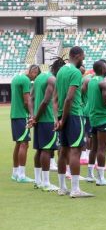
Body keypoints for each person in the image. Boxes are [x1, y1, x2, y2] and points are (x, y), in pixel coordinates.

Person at [55, 46, 94, 198]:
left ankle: (62, 187)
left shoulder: (61, 71)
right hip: (74, 116)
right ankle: (75, 189)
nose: (83, 60)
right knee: (75, 151)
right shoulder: (75, 72)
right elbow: (69, 98)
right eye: (82, 57)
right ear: (76, 56)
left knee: (63, 151)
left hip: (61, 116)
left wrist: (57, 120)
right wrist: (64, 120)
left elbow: (55, 99)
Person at [29, 58, 65, 191]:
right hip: (47, 119)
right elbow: (45, 101)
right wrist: (36, 118)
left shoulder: (39, 78)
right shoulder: (52, 80)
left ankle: (38, 181)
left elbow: (31, 99)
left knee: (39, 150)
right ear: (59, 70)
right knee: (46, 150)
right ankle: (45, 182)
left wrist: (32, 116)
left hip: (39, 119)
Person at [87, 60, 106, 186]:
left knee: (94, 148)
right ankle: (101, 178)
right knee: (102, 148)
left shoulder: (91, 80)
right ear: (102, 69)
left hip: (93, 117)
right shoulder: (103, 83)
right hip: (103, 118)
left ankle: (90, 175)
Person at [10, 64, 40, 183]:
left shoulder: (16, 78)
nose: (35, 78)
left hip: (15, 115)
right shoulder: (25, 80)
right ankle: (21, 175)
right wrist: (33, 116)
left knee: (18, 143)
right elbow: (27, 100)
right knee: (24, 144)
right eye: (36, 74)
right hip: (21, 116)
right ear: (32, 71)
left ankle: (15, 173)